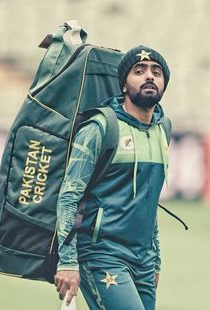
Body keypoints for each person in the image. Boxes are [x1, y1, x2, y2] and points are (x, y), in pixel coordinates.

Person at [54, 45, 171, 310]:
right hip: (102, 255)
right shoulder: (101, 128)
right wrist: (68, 261)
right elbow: (69, 196)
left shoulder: (163, 130)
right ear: (123, 85)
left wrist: (155, 260)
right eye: (138, 71)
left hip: (143, 261)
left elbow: (149, 201)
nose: (149, 76)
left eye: (156, 71)